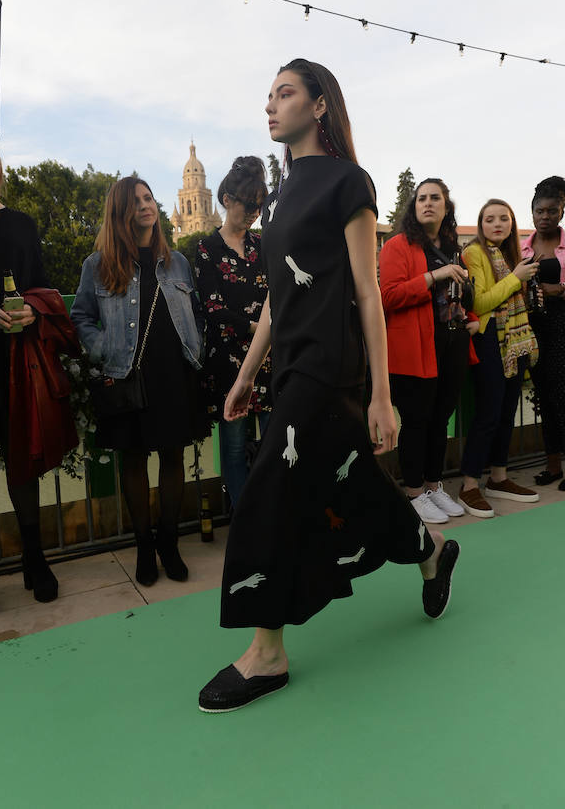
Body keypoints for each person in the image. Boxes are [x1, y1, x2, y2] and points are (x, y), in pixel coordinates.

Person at [198, 59, 459, 714]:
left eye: (284, 93)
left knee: (267, 489)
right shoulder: (277, 198)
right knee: (354, 483)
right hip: (289, 365)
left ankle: (268, 653)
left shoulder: (350, 183)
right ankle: (429, 551)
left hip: (328, 369)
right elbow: (275, 301)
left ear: (319, 106)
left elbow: (369, 293)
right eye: (268, 95)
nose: (271, 104)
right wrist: (246, 374)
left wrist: (380, 393)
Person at [71, 177, 203, 586]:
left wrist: (195, 346)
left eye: (149, 198)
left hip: (172, 371)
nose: (147, 205)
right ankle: (144, 545)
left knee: (172, 458)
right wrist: (106, 349)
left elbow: (195, 311)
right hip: (127, 373)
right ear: (121, 212)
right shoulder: (98, 264)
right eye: (137, 201)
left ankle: (169, 542)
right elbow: (80, 317)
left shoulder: (176, 261)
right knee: (133, 459)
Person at [0, 117, 62, 616]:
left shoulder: (22, 223)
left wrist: (30, 307)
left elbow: (42, 286)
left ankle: (34, 558)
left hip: (14, 361)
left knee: (21, 467)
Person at [379, 178, 479, 524]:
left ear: (446, 206)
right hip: (415, 346)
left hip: (452, 343)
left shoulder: (454, 248)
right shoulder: (397, 246)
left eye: (435, 198)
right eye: (421, 198)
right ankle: (414, 493)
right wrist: (433, 278)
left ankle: (434, 486)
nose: (428, 203)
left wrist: (474, 318)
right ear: (414, 205)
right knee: (417, 422)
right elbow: (388, 296)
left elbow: (464, 293)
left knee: (441, 421)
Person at [195, 157, 272, 512]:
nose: (255, 212)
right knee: (235, 448)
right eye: (248, 204)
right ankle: (245, 523)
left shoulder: (263, 246)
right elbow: (213, 309)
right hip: (229, 363)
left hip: (270, 361)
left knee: (274, 442)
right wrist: (261, 330)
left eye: (259, 205)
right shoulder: (206, 249)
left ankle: (273, 516)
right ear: (227, 199)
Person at [459, 200, 540, 517]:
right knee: (488, 412)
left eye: (503, 218)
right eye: (489, 219)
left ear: (511, 223)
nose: (497, 224)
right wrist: (515, 277)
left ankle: (499, 476)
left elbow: (513, 296)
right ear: (480, 224)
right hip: (490, 338)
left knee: (507, 410)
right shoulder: (474, 252)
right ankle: (469, 484)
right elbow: (479, 302)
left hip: (517, 339)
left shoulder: (512, 254)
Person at [521, 177, 565, 488]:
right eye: (540, 211)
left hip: (562, 324)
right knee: (544, 398)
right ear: (532, 212)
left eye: (552, 211)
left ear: (562, 211)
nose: (545, 216)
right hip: (533, 326)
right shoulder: (522, 246)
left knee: (562, 396)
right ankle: (553, 466)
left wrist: (562, 289)